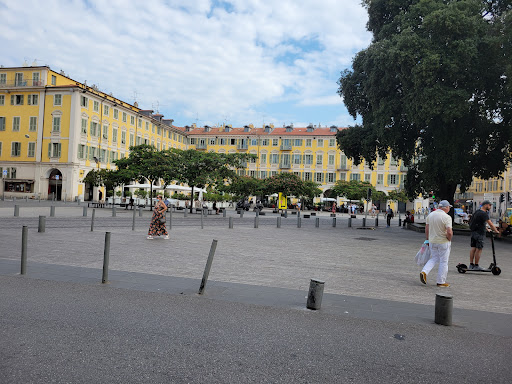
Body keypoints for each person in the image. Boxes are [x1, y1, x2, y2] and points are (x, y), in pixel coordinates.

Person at [420, 200, 453, 287]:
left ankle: (424, 271)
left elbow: (427, 229)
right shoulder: (447, 217)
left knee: (434, 258)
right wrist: (449, 239)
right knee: (444, 261)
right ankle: (441, 281)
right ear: (445, 207)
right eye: (449, 207)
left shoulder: (430, 215)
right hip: (443, 242)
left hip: (432, 241)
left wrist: (427, 240)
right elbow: (449, 232)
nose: (449, 208)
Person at [468, 200, 498, 270]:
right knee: (479, 249)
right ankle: (476, 265)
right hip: (479, 233)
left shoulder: (477, 212)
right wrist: (496, 231)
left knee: (473, 248)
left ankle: (471, 264)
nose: (490, 207)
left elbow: (479, 222)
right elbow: (490, 223)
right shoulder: (484, 214)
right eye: (489, 205)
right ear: (485, 205)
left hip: (474, 232)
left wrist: (487, 229)